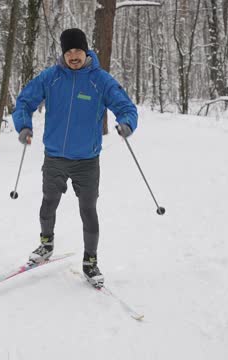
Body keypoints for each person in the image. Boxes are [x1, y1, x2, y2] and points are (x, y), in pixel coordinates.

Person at [12, 28, 138, 288]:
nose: (73, 56)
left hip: (87, 161)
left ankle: (90, 261)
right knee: (49, 203)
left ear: (86, 50)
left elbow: (125, 106)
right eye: (68, 51)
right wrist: (24, 125)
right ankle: (46, 244)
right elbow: (24, 101)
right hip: (55, 156)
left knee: (88, 210)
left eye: (77, 50)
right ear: (63, 53)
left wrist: (126, 123)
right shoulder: (51, 77)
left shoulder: (99, 80)